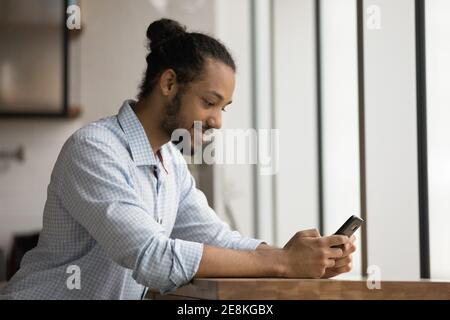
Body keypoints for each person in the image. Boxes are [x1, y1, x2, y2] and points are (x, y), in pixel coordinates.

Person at [0, 19, 355, 300]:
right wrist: (281, 263)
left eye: (223, 108)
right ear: (168, 83)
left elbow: (216, 239)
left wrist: (297, 258)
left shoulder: (170, 163)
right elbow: (151, 257)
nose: (217, 121)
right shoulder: (94, 148)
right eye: (209, 102)